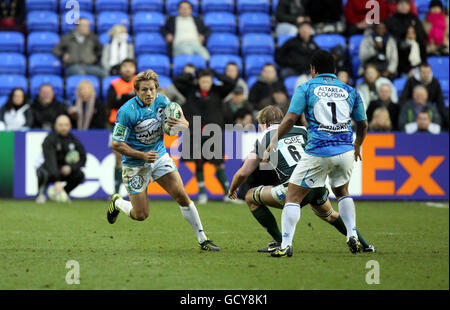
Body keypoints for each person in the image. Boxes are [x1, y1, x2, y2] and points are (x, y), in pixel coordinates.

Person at [263, 50, 369, 257]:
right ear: (335, 70)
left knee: (292, 196)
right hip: (346, 150)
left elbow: (291, 118)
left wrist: (274, 140)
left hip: (319, 150)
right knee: (342, 192)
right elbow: (363, 123)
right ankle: (352, 234)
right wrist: (358, 144)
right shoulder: (350, 90)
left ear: (313, 69)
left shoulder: (307, 87)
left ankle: (285, 245)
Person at [228, 106, 375, 253]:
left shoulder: (265, 138)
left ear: (265, 124)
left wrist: (233, 188)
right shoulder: (302, 130)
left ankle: (281, 242)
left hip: (292, 189)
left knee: (250, 197)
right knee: (331, 215)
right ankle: (366, 245)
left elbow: (243, 173)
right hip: (316, 186)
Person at [107, 70, 220, 251]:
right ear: (136, 91)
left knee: (182, 195)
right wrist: (142, 155)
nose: (148, 93)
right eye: (144, 90)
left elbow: (184, 123)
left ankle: (203, 238)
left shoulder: (163, 102)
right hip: (135, 163)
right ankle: (118, 202)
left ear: (156, 89)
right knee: (141, 214)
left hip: (159, 157)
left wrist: (181, 125)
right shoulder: (127, 112)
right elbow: (116, 144)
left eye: (152, 89)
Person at [173, 68, 236, 204]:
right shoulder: (191, 90)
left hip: (214, 132)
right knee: (198, 161)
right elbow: (176, 81)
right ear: (199, 81)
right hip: (195, 131)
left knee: (219, 163)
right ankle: (202, 194)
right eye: (203, 81)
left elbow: (231, 83)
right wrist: (190, 75)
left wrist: (217, 74)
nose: (205, 84)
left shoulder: (218, 92)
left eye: (208, 81)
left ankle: (227, 194)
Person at [35, 114, 86, 204]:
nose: (63, 128)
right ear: (55, 126)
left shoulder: (73, 140)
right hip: (50, 170)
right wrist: (56, 180)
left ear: (70, 126)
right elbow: (50, 160)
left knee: (80, 175)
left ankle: (63, 193)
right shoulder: (49, 140)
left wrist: (71, 167)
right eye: (61, 125)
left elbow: (83, 158)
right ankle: (40, 194)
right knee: (42, 173)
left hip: (65, 170)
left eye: (66, 125)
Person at [106, 58, 138, 194]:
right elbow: (111, 102)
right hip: (118, 124)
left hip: (137, 124)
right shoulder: (114, 84)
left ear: (135, 68)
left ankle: (137, 191)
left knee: (138, 157)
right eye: (125, 66)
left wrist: (122, 97)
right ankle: (116, 191)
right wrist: (129, 96)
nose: (127, 69)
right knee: (118, 158)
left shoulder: (140, 81)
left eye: (130, 66)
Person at [384, 0, 427, 73]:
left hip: (416, 48)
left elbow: (423, 34)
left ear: (409, 6)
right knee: (400, 46)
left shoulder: (414, 19)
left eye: (406, 4)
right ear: (397, 6)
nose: (404, 6)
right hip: (399, 51)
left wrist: (414, 35)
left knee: (420, 44)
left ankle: (419, 68)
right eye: (401, 4)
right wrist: (406, 35)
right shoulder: (391, 20)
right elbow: (392, 35)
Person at [400, 63, 447, 129]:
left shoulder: (435, 82)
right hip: (412, 107)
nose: (425, 74)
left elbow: (440, 101)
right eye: (423, 72)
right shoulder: (411, 81)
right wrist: (406, 108)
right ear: (419, 72)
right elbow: (403, 98)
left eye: (428, 72)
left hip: (429, 107)